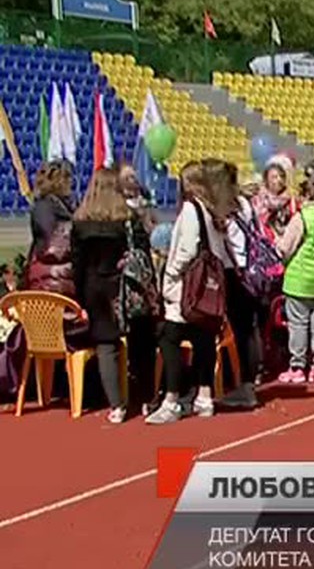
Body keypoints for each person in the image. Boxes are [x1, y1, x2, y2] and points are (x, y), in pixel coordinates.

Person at [145, 161, 237, 424]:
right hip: (207, 288)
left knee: (170, 339)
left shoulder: (190, 209)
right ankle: (204, 396)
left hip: (187, 287)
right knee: (203, 340)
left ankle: (171, 399)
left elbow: (187, 249)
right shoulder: (212, 211)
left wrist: (172, 272)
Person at [70, 167, 158, 423]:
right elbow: (143, 254)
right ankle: (146, 399)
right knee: (141, 341)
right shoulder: (127, 220)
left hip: (95, 287)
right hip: (126, 287)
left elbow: (77, 263)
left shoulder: (80, 223)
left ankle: (117, 405)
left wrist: (80, 296)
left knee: (106, 345)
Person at [275, 171, 314, 384]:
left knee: (298, 324)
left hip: (299, 280)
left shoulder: (301, 218)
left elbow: (285, 248)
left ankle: (297, 366)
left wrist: (277, 240)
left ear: (304, 196)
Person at [215, 160, 267, 410]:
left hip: (233, 270)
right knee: (248, 328)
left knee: (241, 329)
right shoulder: (244, 204)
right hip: (249, 270)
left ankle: (244, 384)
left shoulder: (223, 209)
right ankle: (249, 380)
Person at [27, 160, 77, 297]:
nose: (71, 182)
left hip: (64, 272)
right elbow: (50, 240)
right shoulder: (44, 206)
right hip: (48, 276)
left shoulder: (64, 204)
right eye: (68, 178)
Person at [252, 161, 299, 243]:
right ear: (266, 180)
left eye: (282, 176)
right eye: (274, 177)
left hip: (285, 243)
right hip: (262, 242)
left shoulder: (291, 202)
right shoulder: (257, 201)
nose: (279, 180)